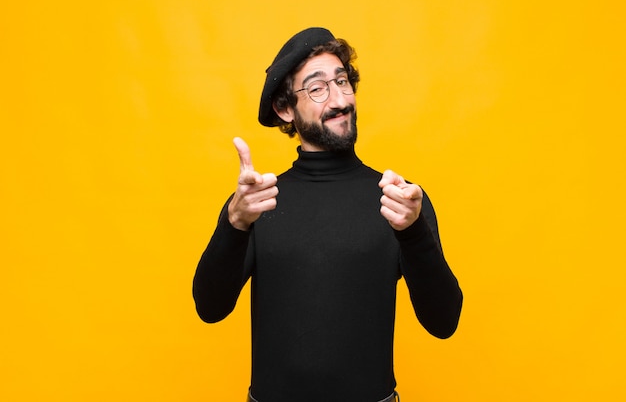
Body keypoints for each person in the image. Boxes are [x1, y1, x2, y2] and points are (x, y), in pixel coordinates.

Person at [193, 27, 463, 402]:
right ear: (285, 108)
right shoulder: (257, 202)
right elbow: (209, 308)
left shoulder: (399, 200)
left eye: (343, 81)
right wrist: (234, 225)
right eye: (318, 88)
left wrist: (414, 233)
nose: (340, 99)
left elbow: (444, 322)